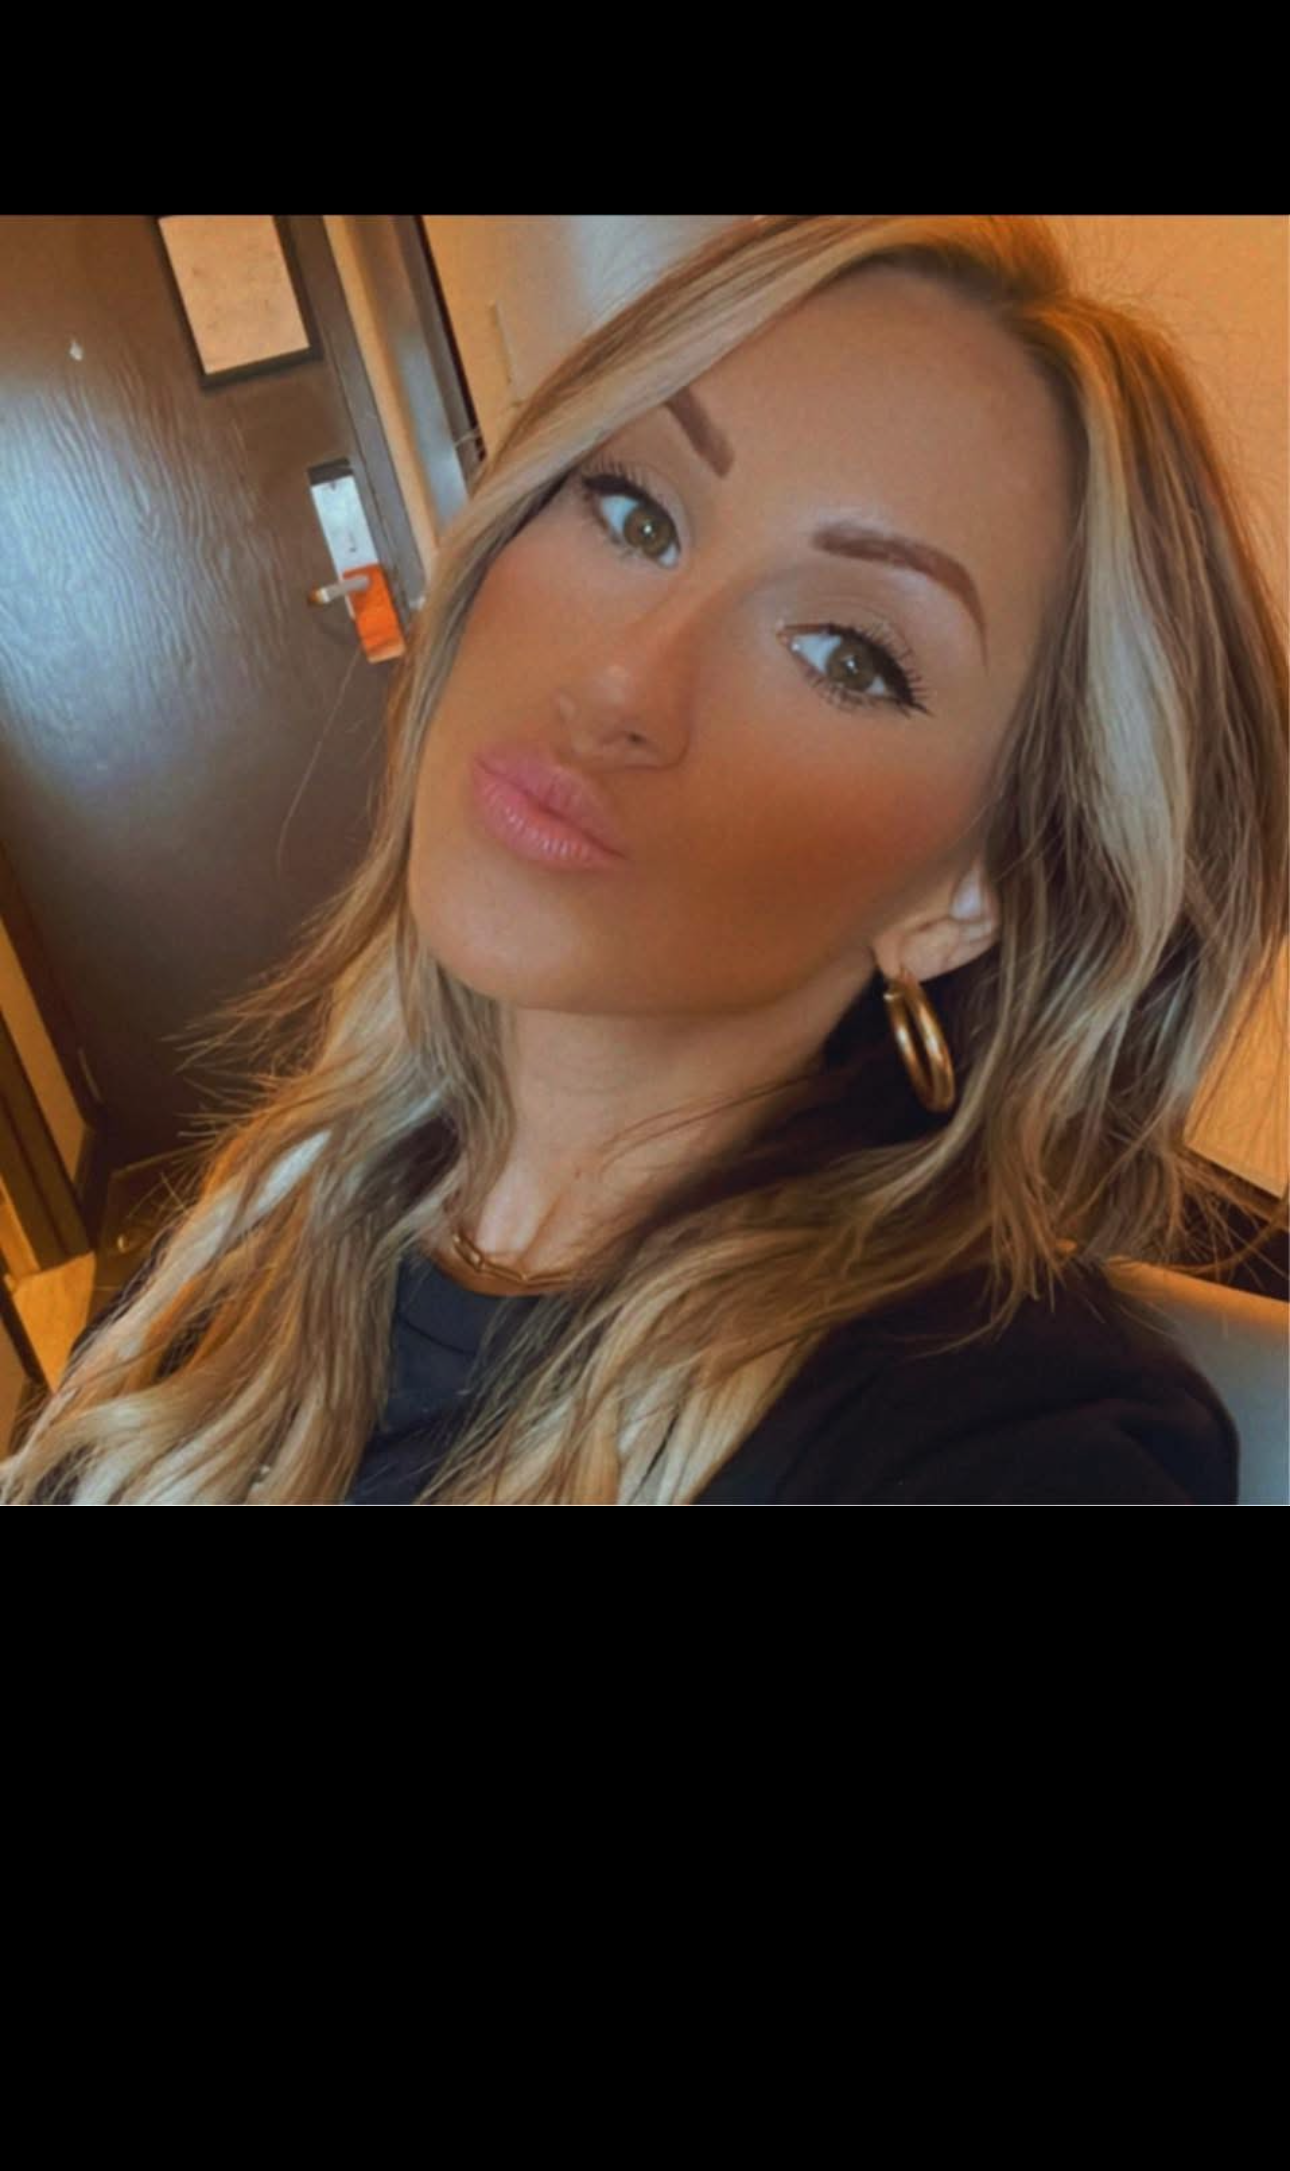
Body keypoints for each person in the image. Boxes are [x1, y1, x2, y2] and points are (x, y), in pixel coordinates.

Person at [4, 215, 1285, 1506]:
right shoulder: (295, 1190)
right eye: (634, 512)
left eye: (847, 657)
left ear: (964, 896)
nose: (620, 677)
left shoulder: (986, 1436)